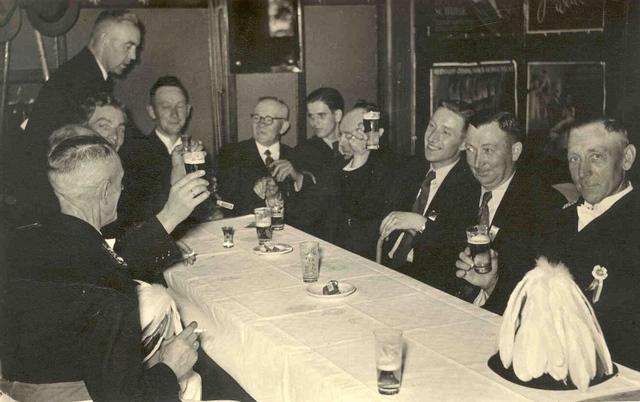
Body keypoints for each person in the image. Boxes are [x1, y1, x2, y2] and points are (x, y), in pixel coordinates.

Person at [3, 133, 207, 401]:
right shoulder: (112, 288)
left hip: (13, 384)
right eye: (121, 184)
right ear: (105, 192)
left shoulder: (20, 240)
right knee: (191, 380)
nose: (123, 191)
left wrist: (169, 216)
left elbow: (105, 262)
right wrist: (171, 367)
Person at [458, 117, 640, 369]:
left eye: (596, 156)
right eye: (574, 158)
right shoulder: (558, 218)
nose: (582, 172)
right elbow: (523, 306)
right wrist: (491, 284)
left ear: (627, 158)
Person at [16, 9, 141, 225]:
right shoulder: (82, 80)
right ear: (104, 39)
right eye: (128, 46)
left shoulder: (85, 73)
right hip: (50, 202)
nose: (133, 56)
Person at [454, 111, 565, 313]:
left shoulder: (544, 206)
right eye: (471, 149)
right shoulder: (458, 189)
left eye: (488, 150)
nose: (478, 162)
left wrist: (491, 286)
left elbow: (540, 298)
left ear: (515, 151)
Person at [379, 100, 477, 293]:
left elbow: (454, 248)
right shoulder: (411, 169)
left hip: (425, 284)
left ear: (464, 144)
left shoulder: (470, 186)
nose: (432, 137)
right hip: (385, 270)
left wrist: (421, 223)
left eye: (445, 132)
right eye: (432, 126)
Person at [119, 76, 218, 230]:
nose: (174, 114)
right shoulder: (133, 153)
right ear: (152, 111)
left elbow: (207, 204)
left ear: (188, 110)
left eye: (180, 106)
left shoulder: (198, 152)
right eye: (166, 107)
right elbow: (134, 211)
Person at [218, 97, 323, 233]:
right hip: (245, 234)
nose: (261, 124)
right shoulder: (231, 153)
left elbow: (311, 206)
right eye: (256, 118)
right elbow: (225, 203)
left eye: (268, 119)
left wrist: (296, 177)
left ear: (284, 127)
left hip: (289, 234)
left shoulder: (297, 156)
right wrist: (255, 189)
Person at [330, 103, 394, 260]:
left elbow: (361, 212)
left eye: (350, 135)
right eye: (341, 135)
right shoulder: (339, 164)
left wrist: (360, 158)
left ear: (377, 133)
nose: (342, 142)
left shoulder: (390, 167)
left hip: (364, 255)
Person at [296, 87, 347, 176]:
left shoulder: (355, 143)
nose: (315, 123)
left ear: (337, 115)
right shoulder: (303, 152)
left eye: (321, 115)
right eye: (311, 116)